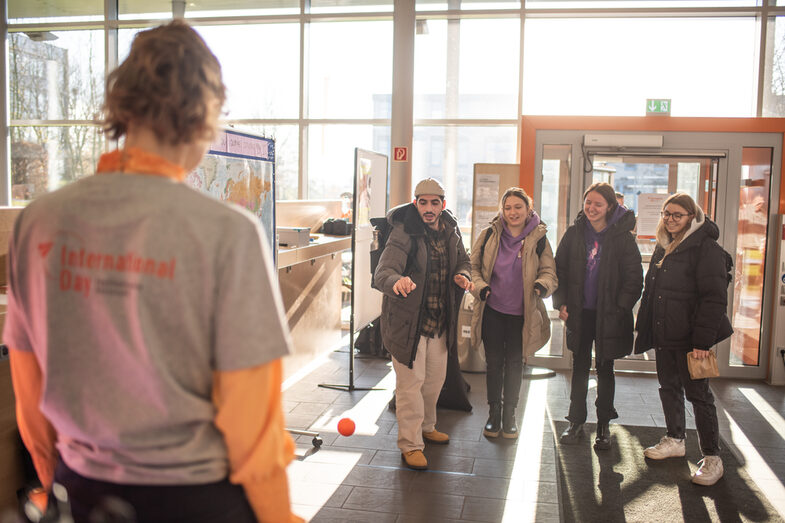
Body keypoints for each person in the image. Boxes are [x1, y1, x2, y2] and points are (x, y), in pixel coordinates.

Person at [5, 21, 301, 522]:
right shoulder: (229, 232)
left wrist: (55, 480)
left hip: (81, 491)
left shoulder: (40, 220)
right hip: (200, 498)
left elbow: (28, 383)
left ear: (122, 104)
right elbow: (252, 424)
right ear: (207, 116)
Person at [373, 178, 474, 470]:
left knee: (433, 383)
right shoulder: (404, 231)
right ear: (415, 203)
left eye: (434, 202)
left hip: (440, 321)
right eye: (422, 202)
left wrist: (462, 275)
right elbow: (383, 272)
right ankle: (410, 444)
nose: (428, 208)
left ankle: (428, 426)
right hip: (408, 324)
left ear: (443, 204)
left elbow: (464, 261)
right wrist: (397, 281)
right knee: (410, 386)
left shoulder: (451, 229)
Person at [634, 193, 732, 486]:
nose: (670, 219)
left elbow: (714, 299)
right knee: (669, 387)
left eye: (677, 215)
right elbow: (652, 292)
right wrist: (646, 328)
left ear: (693, 217)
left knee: (700, 397)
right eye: (666, 214)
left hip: (693, 340)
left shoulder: (706, 248)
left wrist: (703, 342)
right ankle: (675, 439)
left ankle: (713, 457)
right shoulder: (664, 246)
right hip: (666, 334)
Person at [553, 182, 642, 450]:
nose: (591, 208)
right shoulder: (574, 233)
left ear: (610, 207)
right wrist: (561, 303)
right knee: (578, 369)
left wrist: (619, 309)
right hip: (580, 314)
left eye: (598, 204)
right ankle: (576, 421)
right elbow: (560, 270)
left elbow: (634, 280)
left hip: (610, 316)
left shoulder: (623, 238)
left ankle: (604, 426)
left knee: (605, 370)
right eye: (588, 202)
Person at [470, 187, 558, 439]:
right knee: (494, 363)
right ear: (502, 210)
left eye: (518, 207)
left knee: (515, 364)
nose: (512, 212)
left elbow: (549, 272)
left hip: (523, 314)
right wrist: (480, 287)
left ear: (528, 209)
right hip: (493, 311)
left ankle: (510, 416)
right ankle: (493, 414)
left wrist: (542, 285)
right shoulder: (489, 234)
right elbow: (473, 267)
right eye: (507, 207)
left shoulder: (539, 238)